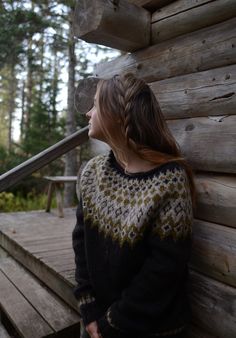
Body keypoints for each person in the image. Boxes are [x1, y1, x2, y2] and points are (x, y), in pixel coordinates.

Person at [72, 73, 194, 338]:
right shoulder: (92, 173)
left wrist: (112, 323)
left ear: (117, 114)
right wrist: (89, 308)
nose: (88, 113)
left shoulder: (169, 181)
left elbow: (164, 270)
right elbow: (81, 242)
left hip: (152, 329)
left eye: (95, 104)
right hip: (95, 321)